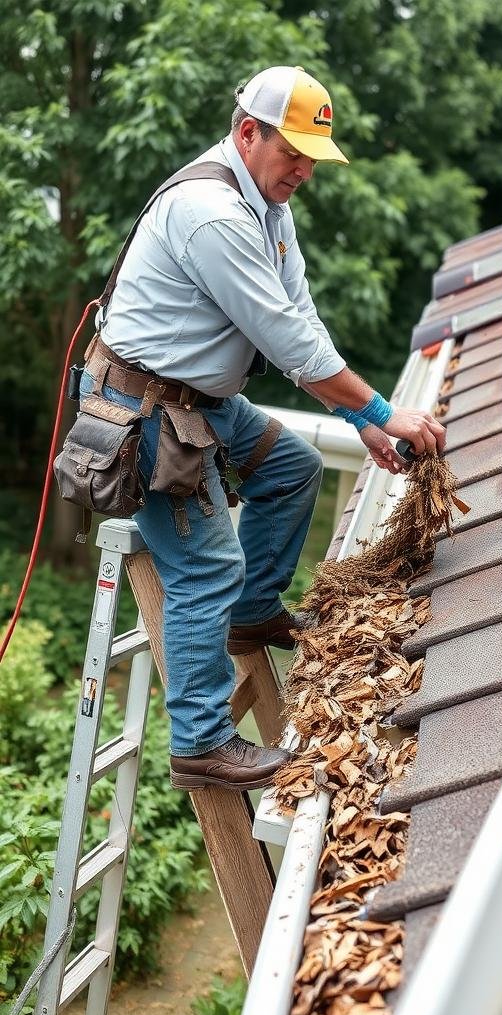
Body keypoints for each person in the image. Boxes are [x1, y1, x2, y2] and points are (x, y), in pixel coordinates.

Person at [79, 65, 445, 791]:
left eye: (314, 159)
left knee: (292, 470)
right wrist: (380, 411)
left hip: (201, 400)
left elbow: (300, 314)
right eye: (293, 154)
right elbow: (287, 344)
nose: (304, 171)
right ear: (248, 134)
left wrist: (361, 421)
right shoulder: (213, 213)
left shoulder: (269, 209)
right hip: (146, 410)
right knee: (206, 565)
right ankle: (202, 745)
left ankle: (252, 614)